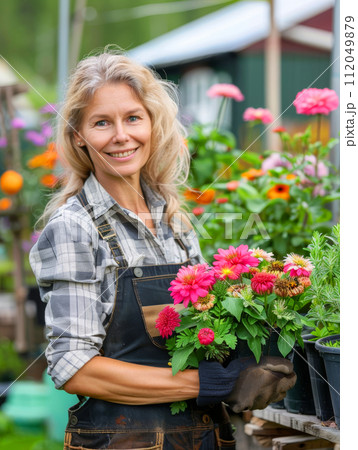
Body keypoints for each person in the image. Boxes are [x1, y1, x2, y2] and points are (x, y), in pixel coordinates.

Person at [30, 49, 296, 449]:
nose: (121, 135)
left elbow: (202, 329)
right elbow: (74, 367)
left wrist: (252, 356)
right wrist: (214, 383)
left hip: (207, 436)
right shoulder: (74, 228)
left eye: (133, 118)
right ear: (78, 137)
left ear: (153, 125)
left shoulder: (173, 218)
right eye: (102, 123)